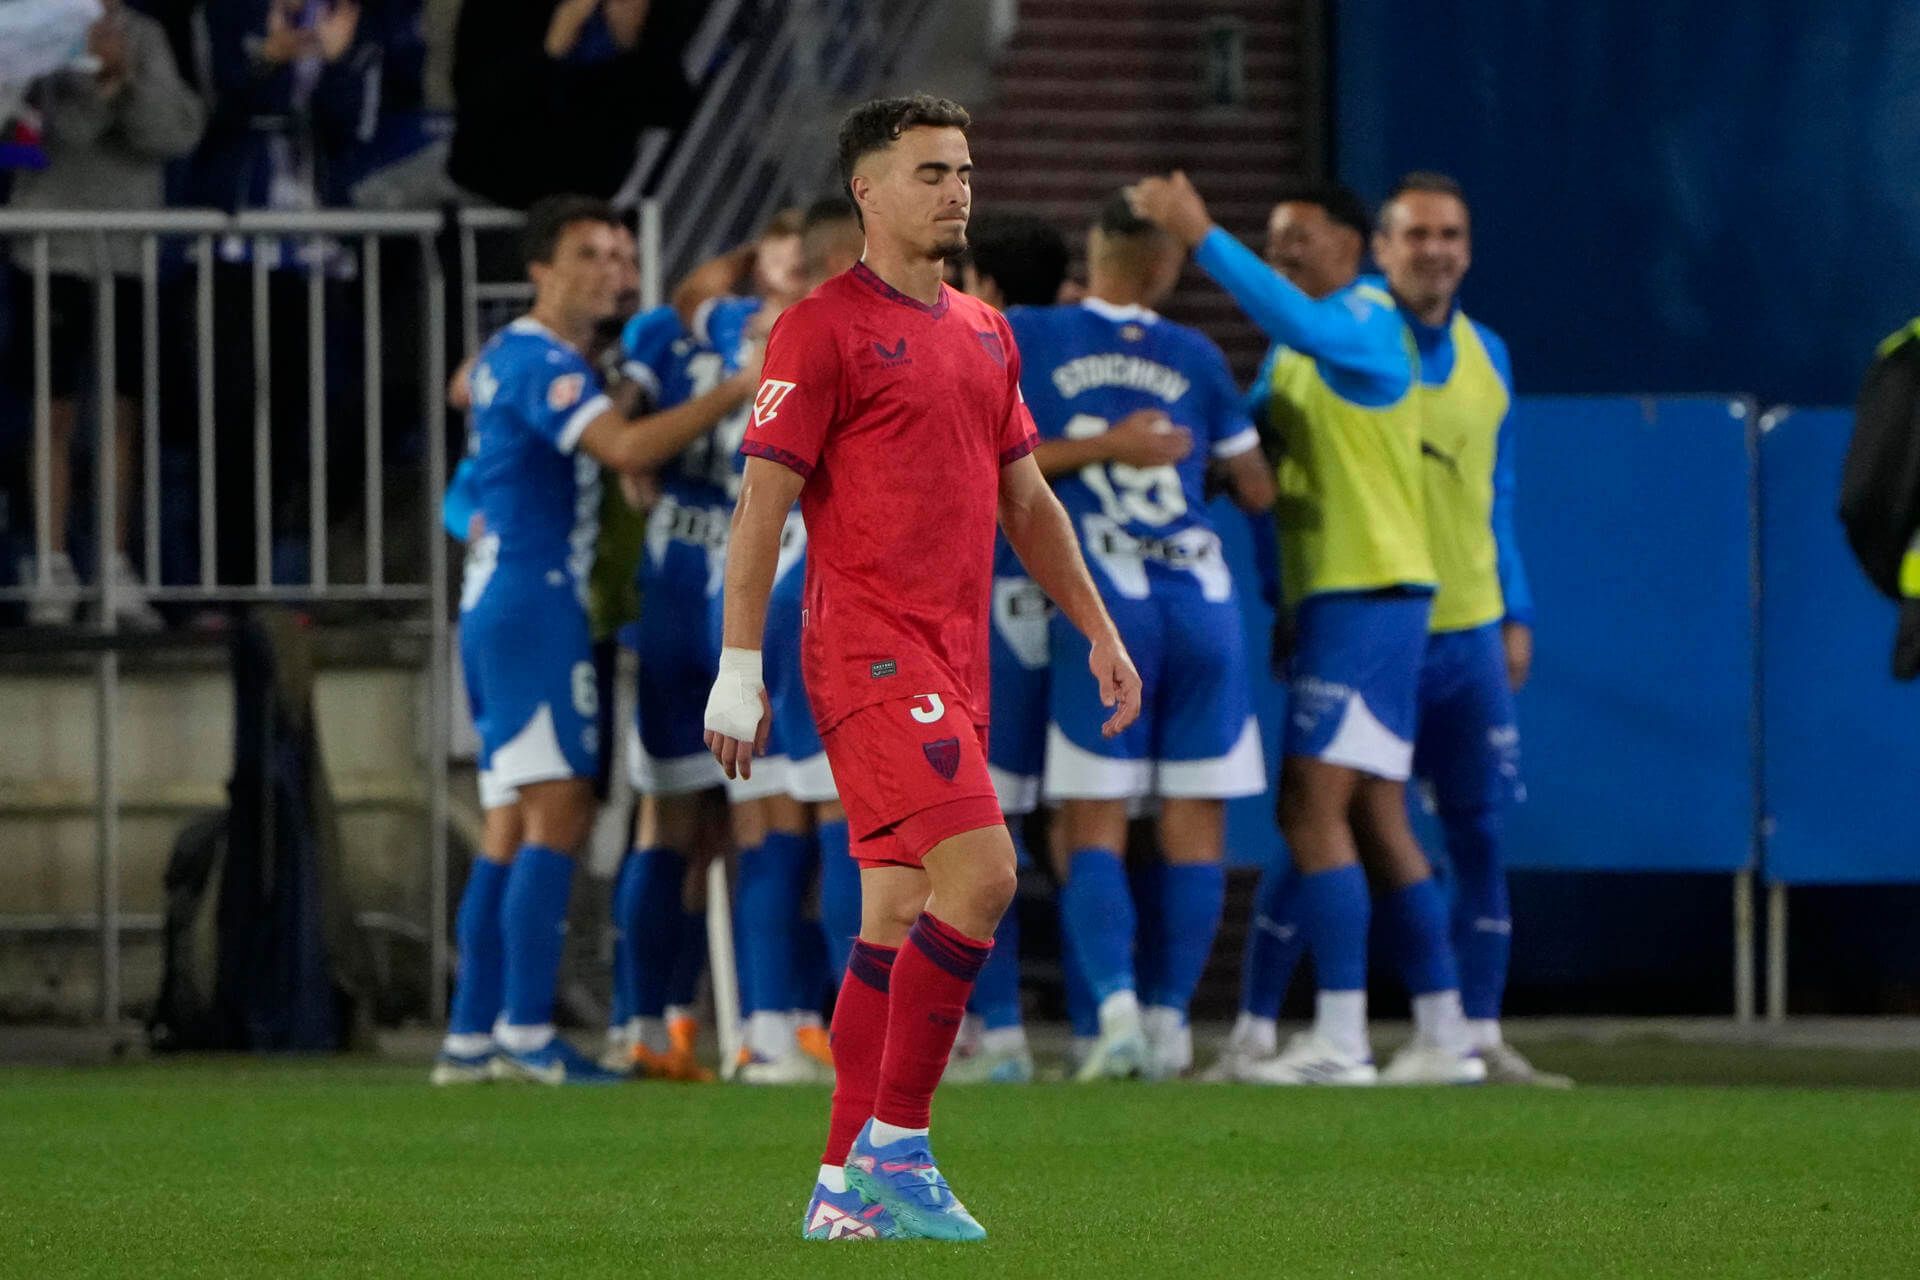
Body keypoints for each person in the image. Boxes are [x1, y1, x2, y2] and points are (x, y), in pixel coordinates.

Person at [703, 95, 1140, 1241]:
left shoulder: (987, 332)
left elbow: (1027, 502)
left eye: (964, 171)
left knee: (895, 913)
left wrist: (1097, 626)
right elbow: (761, 505)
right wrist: (738, 666)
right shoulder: (819, 329)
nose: (957, 192)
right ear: (868, 191)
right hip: (867, 648)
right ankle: (898, 1144)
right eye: (931, 172)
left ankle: (841, 1186)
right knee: (986, 874)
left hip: (955, 652)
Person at [1130, 173, 1482, 1086]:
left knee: (1308, 810)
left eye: (1299, 235)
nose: (1282, 249)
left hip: (1369, 598)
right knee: (1376, 816)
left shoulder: (1367, 321)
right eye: (1272, 237)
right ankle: (1443, 1034)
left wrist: (1204, 237)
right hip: (1346, 602)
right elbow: (1250, 466)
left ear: (1353, 248)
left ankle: (1342, 1038)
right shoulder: (1294, 357)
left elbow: (1298, 325)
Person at [431, 195, 761, 1086]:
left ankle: (472, 1037)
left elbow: (476, 411)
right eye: (589, 254)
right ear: (540, 269)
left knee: (511, 824)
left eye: (620, 256)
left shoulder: (521, 356)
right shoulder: (542, 361)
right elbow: (626, 449)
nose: (612, 271)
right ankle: (526, 1032)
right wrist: (738, 390)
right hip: (535, 605)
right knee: (560, 814)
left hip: (504, 599)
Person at [1014, 193, 1275, 1083]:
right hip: (1204, 601)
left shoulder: (1033, 335)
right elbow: (1256, 484)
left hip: (1105, 605)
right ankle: (1170, 1026)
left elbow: (994, 458)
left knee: (1091, 821)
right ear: (1166, 266)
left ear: (1094, 250)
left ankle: (1119, 1016)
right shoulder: (1198, 354)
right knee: (1196, 825)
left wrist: (1098, 448)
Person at [7, 0, 204, 627]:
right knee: (54, 410)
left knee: (122, 412)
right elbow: (48, 139)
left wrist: (127, 77)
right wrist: (96, 85)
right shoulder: (33, 30)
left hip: (127, 252)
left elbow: (175, 135)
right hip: (51, 248)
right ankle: (51, 564)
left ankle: (115, 566)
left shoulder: (147, 34)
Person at [941, 207, 1075, 1085]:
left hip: (973, 612)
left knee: (963, 836)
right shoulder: (1120, 343)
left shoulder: (966, 340)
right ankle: (1113, 1026)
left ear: (982, 281)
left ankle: (991, 1031)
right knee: (1071, 830)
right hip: (1069, 610)